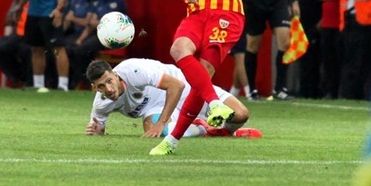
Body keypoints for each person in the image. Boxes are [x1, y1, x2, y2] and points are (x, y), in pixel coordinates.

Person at [87, 0, 245, 156]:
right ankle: (212, 106)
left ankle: (173, 139)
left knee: (203, 75)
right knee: (178, 49)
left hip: (225, 9)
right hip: (197, 12)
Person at [85, 59, 260, 139]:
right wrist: (96, 131)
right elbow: (98, 129)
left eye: (109, 81)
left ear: (116, 75)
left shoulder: (134, 72)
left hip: (184, 86)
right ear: (95, 88)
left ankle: (228, 131)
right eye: (101, 86)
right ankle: (203, 128)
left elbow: (176, 86)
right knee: (158, 133)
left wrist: (162, 122)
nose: (108, 89)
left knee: (241, 114)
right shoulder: (101, 104)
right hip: (155, 107)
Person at [68, 0, 128, 89]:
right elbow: (90, 23)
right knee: (76, 48)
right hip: (96, 33)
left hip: (112, 37)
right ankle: (80, 81)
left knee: (82, 50)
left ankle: (87, 82)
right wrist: (80, 39)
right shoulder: (98, 0)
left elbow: (121, 23)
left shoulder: (118, 1)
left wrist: (100, 23)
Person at [314, 0, 349, 99]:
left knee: (340, 59)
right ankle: (328, 90)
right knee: (327, 59)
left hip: (341, 24)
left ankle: (339, 92)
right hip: (327, 23)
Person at [223, 0, 250, 98]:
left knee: (240, 55)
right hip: (250, 11)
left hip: (234, 13)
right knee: (242, 53)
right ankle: (234, 90)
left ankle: (249, 92)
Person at [296, 0, 322, 98]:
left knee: (313, 60)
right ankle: (302, 89)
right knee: (302, 59)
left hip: (313, 25)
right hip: (300, 26)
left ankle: (312, 91)